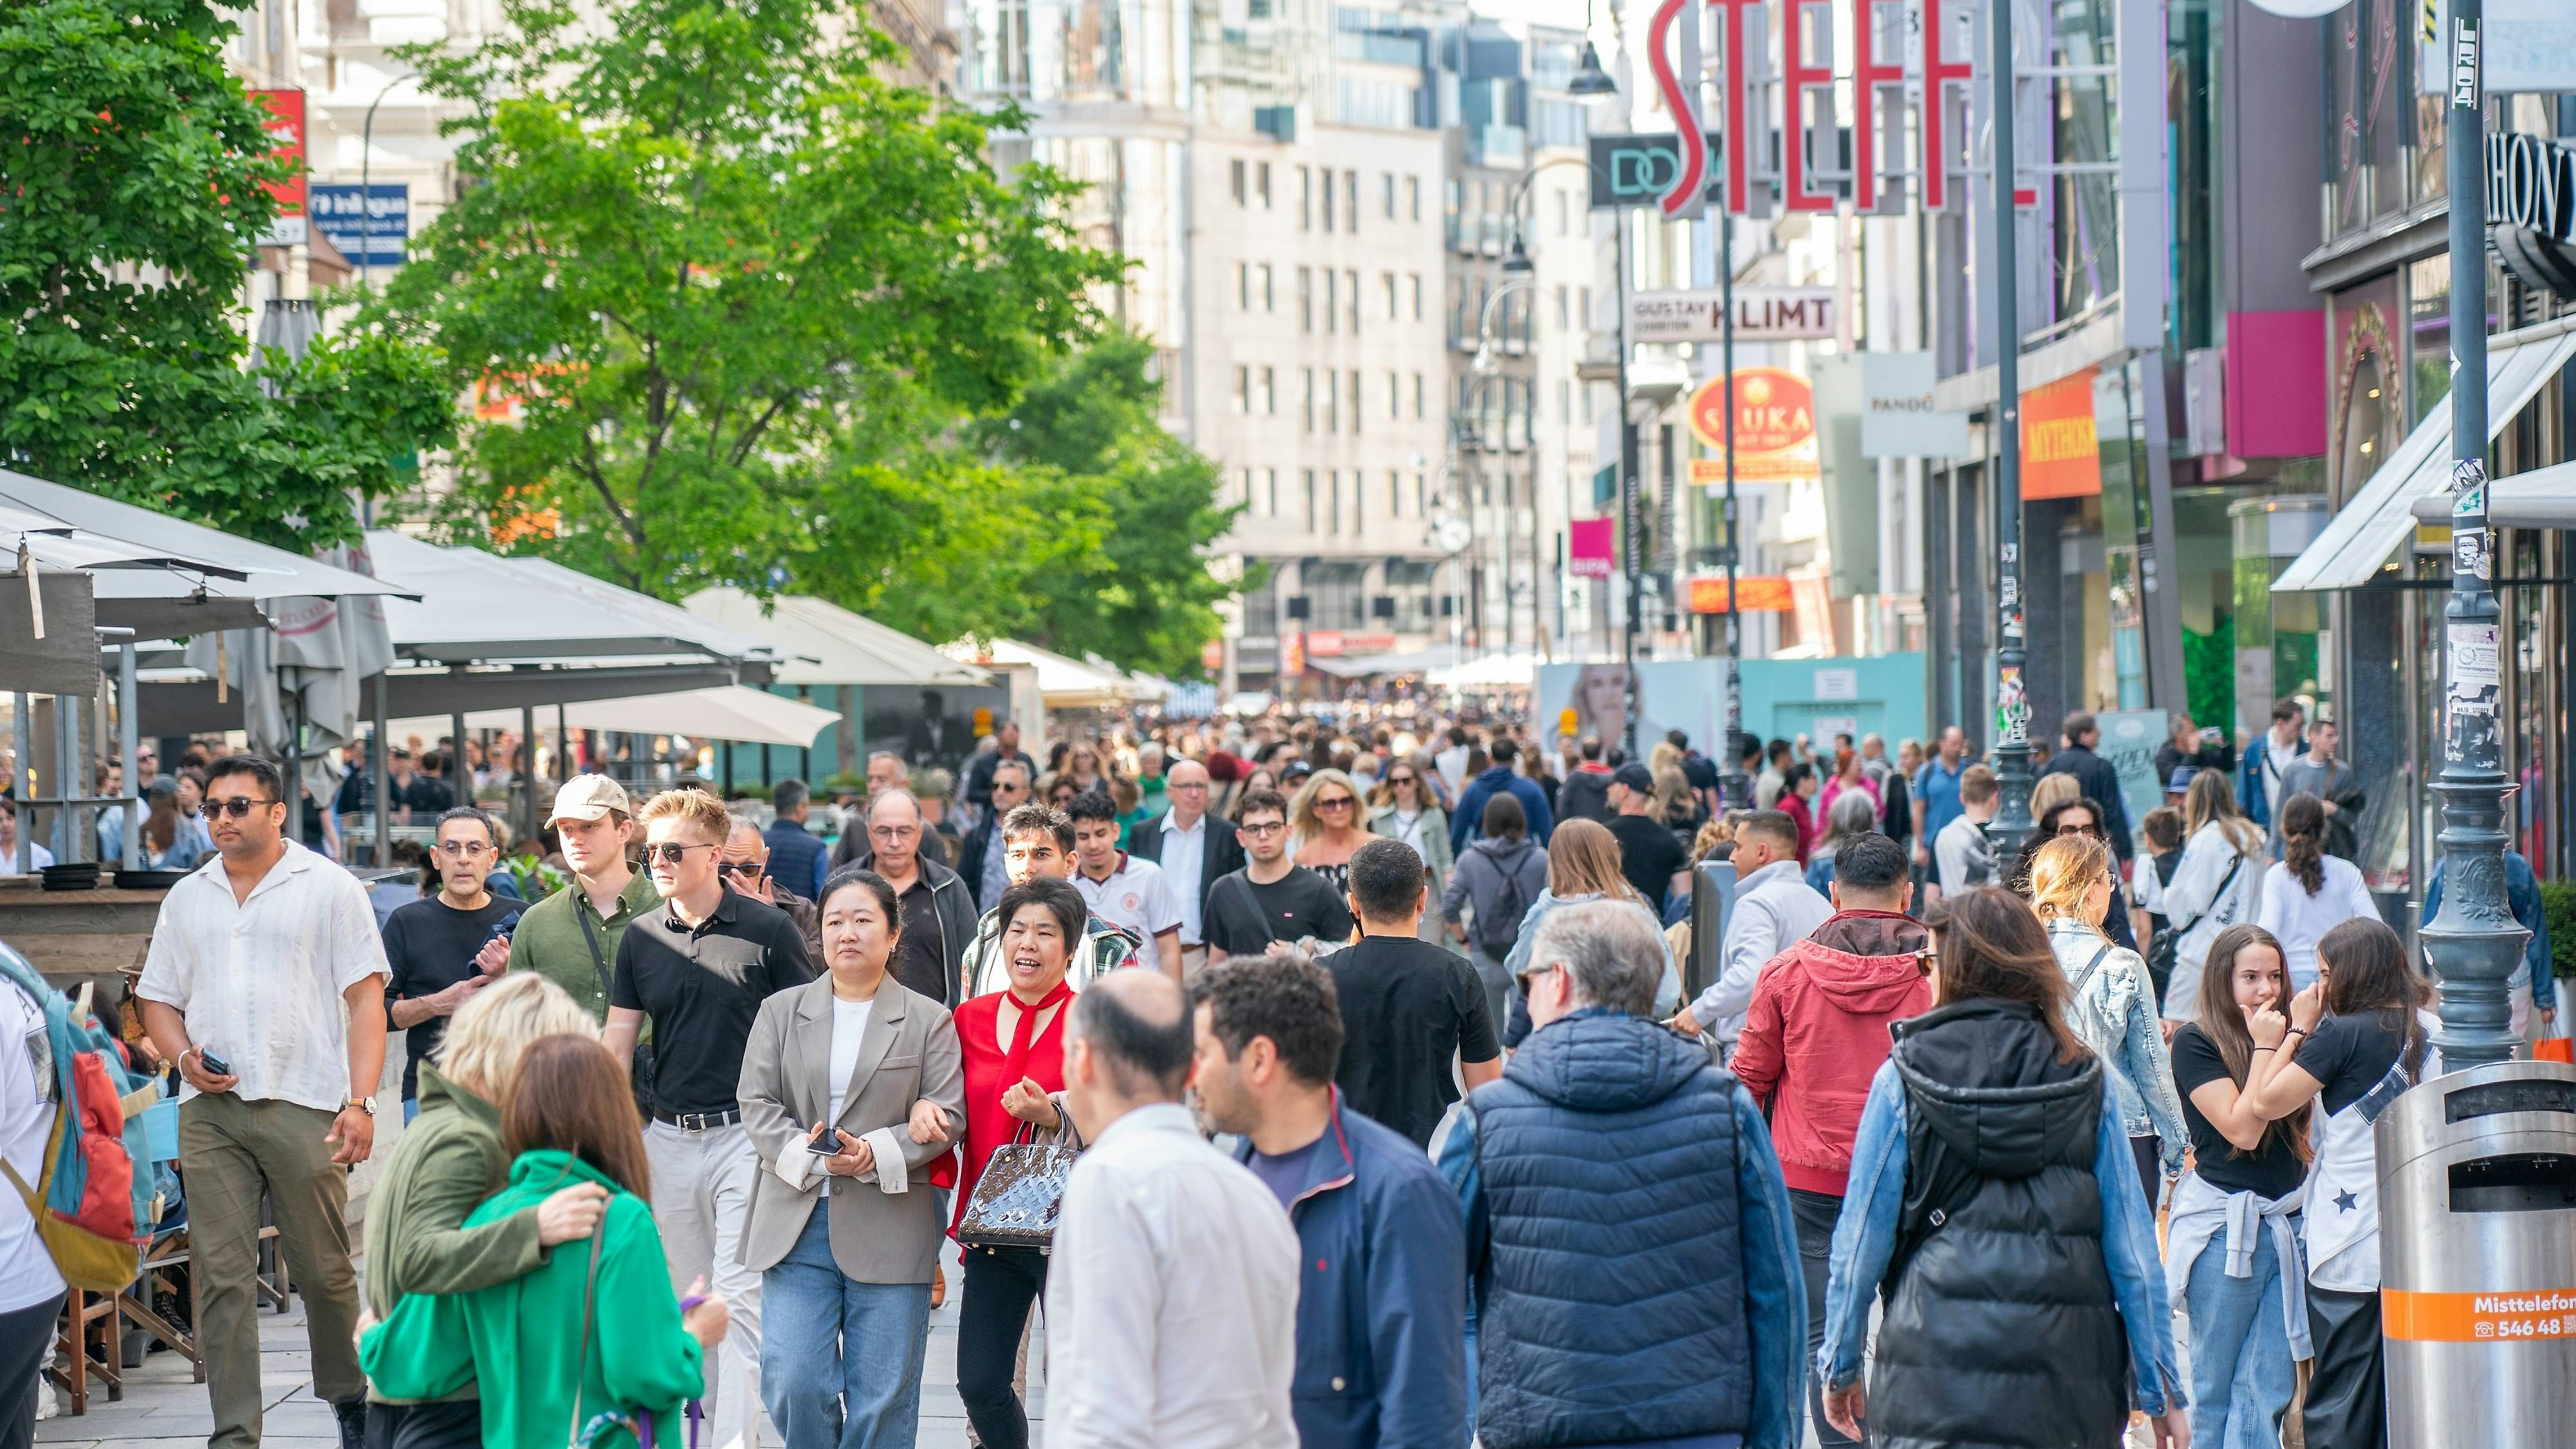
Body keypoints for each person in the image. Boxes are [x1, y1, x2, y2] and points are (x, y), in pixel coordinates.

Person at [1815, 887, 2184, 1449]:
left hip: (1932, 1370)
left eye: (1928, 961)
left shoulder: (1905, 1077)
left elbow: (1860, 1241)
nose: (1924, 976)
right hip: (2070, 1377)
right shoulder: (2087, 1078)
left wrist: (1841, 1364)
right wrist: (2160, 1389)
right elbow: (2133, 1252)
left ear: (1957, 968)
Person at [1435, 901, 1804, 1449]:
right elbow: (1776, 1294)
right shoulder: (1726, 1111)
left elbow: (1429, 1288)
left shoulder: (1488, 1121)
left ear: (1558, 981)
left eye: (1529, 977)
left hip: (1541, 1426)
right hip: (1699, 1428)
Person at [135, 753, 386, 1449]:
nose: (221, 819)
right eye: (212, 807)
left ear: (277, 812)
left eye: (237, 806)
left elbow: (366, 999)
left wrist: (360, 1103)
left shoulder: (329, 887)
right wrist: (182, 1055)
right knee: (219, 1277)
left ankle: (350, 1400)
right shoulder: (189, 895)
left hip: (303, 1102)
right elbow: (155, 997)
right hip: (209, 1111)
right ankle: (236, 1433)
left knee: (325, 1272)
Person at [359, 1034, 732, 1448]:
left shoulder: (489, 1218)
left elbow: (410, 1357)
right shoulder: (620, 1221)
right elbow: (643, 1376)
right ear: (612, 1113)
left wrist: (371, 1339)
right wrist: (695, 1335)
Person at [602, 786, 815, 1449]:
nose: (656, 862)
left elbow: (807, 1033)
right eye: (648, 852)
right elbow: (617, 1041)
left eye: (671, 850)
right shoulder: (639, 937)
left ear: (715, 855)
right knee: (684, 1305)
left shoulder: (770, 931)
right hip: (667, 1137)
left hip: (747, 1138)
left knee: (737, 1300)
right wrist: (604, 1140)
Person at [1189, 953, 1468, 1449]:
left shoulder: (1400, 1194)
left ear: (1258, 1059)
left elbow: (1422, 1419)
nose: (1193, 1077)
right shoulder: (1227, 1185)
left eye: (1203, 1055)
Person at [737, 868, 968, 1449]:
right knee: (793, 1379)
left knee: (884, 1395)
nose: (848, 933)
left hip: (891, 1221)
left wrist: (874, 1153)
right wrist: (815, 1157)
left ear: (893, 936)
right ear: (819, 934)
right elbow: (757, 1101)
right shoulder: (781, 1012)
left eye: (864, 920)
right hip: (797, 1219)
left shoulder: (928, 1018)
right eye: (835, 920)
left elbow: (947, 1113)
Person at [1725, 831, 1928, 1449]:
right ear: (1908, 893)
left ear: (1833, 894)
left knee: (1823, 1337)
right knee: (1914, 1329)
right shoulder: (1939, 974)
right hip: (1915, 1178)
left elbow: (1749, 1078)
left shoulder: (1785, 973)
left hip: (1809, 1179)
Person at [1046, 971, 1300, 1449]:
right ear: (1189, 1072)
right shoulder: (1254, 1194)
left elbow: (1104, 1412)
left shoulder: (1109, 1181)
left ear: (1083, 1061)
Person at [359, 973, 609, 1449]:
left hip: (416, 1392)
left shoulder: (446, 1126)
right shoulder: (465, 1140)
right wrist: (533, 1228)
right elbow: (417, 1257)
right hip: (448, 1406)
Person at [2237, 916, 2427, 1449]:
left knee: (2343, 1395)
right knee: (2408, 1393)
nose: (2320, 986)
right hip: (2419, 1236)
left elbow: (2265, 1102)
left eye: (2325, 972)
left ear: (2351, 972)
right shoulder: (2431, 1029)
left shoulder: (2340, 1033)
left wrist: (2296, 1029)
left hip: (2347, 1244)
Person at [952, 879, 1087, 1449]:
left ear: (1072, 950)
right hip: (994, 1228)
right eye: (1017, 931)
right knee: (980, 1382)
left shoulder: (1093, 1021)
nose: (1027, 944)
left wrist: (1054, 1113)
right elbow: (944, 1100)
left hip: (1075, 1229)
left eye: (1045, 933)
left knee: (1081, 1381)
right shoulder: (968, 1019)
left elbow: (1119, 1109)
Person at [2166, 924, 2310, 1449]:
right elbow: (2243, 1129)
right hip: (2225, 1230)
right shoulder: (2195, 1041)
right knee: (2216, 1389)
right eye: (2250, 977)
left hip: (2288, 1225)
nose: (2266, 989)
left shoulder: (2293, 1036)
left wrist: (2286, 1040)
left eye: (2275, 976)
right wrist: (2268, 1046)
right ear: (2223, 980)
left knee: (2266, 1388)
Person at [2025, 834, 2188, 1206]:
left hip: (2035, 1129)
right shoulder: (2122, 965)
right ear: (2090, 890)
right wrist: (2178, 1148)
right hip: (2118, 1132)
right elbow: (2152, 1068)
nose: (2113, 891)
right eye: (2108, 880)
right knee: (2127, 1259)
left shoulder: (2020, 959)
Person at [1324, 840, 1502, 1147]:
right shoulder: (1458, 975)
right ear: (1423, 899)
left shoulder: (1321, 976)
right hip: (1435, 1155)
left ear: (1353, 904)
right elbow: (1487, 1090)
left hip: (1346, 1155)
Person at [384, 807, 523, 1122]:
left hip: (509, 1089)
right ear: (435, 858)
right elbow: (381, 1013)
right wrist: (440, 1003)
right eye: (452, 848)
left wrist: (507, 976)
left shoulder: (523, 918)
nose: (463, 859)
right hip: (432, 1093)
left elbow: (549, 1004)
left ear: (492, 858)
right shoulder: (406, 922)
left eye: (474, 849)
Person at [1499, 818, 1684, 1047]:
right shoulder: (1636, 911)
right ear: (1609, 855)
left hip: (1559, 1042)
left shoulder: (1542, 915)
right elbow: (1665, 995)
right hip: (1629, 1040)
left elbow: (1519, 969)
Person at [1671, 811, 1832, 1050]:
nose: (1733, 857)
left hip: (1752, 1050)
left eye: (1738, 847)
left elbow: (1751, 975)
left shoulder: (1757, 903)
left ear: (1761, 852)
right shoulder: (1822, 904)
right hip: (1805, 1047)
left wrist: (1698, 1012)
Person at [507, 775, 662, 1023]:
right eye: (566, 828)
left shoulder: (671, 913)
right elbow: (515, 1024)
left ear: (624, 830)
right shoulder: (537, 922)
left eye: (589, 826)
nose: (575, 839)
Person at [961, 804, 1148, 997]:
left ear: (1070, 863)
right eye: (1018, 855)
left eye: (1041, 855)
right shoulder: (982, 947)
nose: (1027, 867)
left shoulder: (1107, 949)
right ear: (1008, 864)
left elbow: (1125, 1026)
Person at [1204, 788, 1356, 963]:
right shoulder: (1223, 890)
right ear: (1241, 837)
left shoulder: (1318, 889)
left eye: (1273, 827)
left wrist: (1302, 953)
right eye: (1253, 829)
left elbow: (1347, 953)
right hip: (1241, 989)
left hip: (1302, 988)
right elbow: (1217, 963)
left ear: (1288, 831)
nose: (1263, 836)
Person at [2162, 768, 2266, 1021]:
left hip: (2202, 952)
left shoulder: (2206, 840)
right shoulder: (2256, 837)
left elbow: (2187, 906)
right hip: (2244, 948)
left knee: (2176, 1029)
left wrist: (2171, 901)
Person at [1442, 793, 1549, 1037]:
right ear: (1522, 822)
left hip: (1485, 952)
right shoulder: (1539, 859)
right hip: (1530, 956)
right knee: (1526, 1032)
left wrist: (1464, 940)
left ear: (1486, 823)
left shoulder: (1470, 859)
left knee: (1489, 1034)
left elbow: (1450, 905)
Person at [2423, 844, 2558, 1035]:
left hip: (2461, 973)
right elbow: (2536, 936)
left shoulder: (2447, 866)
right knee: (2509, 1054)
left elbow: (2429, 929)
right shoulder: (2519, 868)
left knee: (2463, 1048)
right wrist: (2546, 999)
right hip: (2515, 971)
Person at [1127, 759, 1245, 976]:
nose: (1194, 794)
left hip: (1203, 955)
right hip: (1151, 955)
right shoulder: (1144, 833)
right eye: (1186, 787)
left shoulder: (1227, 835)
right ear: (1169, 791)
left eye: (1200, 786)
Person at [2258, 792, 2382, 992]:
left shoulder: (2277, 876)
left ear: (2283, 829)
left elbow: (2268, 930)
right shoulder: (2347, 872)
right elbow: (2375, 925)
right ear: (2324, 828)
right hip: (2340, 976)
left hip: (2293, 979)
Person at [1066, 790, 1184, 978]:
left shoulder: (1148, 875)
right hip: (1087, 997)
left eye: (1100, 833)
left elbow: (1169, 947)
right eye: (1084, 836)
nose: (1093, 844)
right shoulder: (1066, 883)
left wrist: (1174, 1002)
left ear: (1115, 831)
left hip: (1141, 992)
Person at [1364, 758, 1452, 944]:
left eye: (1406, 780)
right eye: (1395, 782)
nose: (1400, 786)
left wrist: (1450, 899)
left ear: (1417, 782)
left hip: (1427, 885)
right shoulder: (1380, 816)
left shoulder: (1433, 814)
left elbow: (1445, 860)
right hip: (1390, 887)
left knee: (1430, 943)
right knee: (1396, 943)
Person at [2037, 711, 2134, 862]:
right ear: (2084, 735)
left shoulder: (2054, 764)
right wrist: (2125, 850)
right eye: (2096, 730)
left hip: (2057, 843)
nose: (2100, 733)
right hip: (2093, 842)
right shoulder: (2102, 766)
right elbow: (2113, 811)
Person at [1598, 760, 1688, 916]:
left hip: (1609, 921)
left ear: (1624, 790)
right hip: (1651, 925)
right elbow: (1685, 897)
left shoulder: (1603, 835)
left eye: (1613, 786)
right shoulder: (1668, 840)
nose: (1608, 790)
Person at [2278, 716, 2365, 861]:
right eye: (2329, 736)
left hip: (2335, 850)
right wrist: (2273, 851)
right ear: (2314, 739)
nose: (2335, 740)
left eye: (2336, 735)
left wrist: (2335, 811)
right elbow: (2281, 812)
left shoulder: (2344, 772)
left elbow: (2353, 818)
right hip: (2301, 851)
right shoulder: (2293, 770)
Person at [1449, 738, 1555, 853]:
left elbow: (1458, 832)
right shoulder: (1531, 789)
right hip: (1523, 859)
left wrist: (1456, 860)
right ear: (1514, 760)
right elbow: (1547, 832)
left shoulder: (1473, 789)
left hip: (1485, 858)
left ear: (1489, 758)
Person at [960, 759, 1033, 911]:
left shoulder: (1039, 834)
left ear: (1026, 793)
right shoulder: (977, 835)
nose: (1000, 792)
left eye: (1009, 787)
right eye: (995, 786)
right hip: (985, 925)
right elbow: (966, 884)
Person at [1289, 768, 1371, 895]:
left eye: (1345, 801)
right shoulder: (1304, 857)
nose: (1339, 809)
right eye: (1330, 803)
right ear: (1316, 810)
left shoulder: (1375, 846)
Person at [2237, 698, 2307, 841]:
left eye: (2302, 726)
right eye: (2297, 726)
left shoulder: (2305, 752)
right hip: (2262, 829)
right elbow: (2245, 793)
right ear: (2280, 723)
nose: (2301, 731)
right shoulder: (2255, 749)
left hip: (2297, 831)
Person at [1909, 727, 1969, 870]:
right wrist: (1920, 847)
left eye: (1960, 744)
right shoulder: (1927, 772)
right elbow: (1918, 810)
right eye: (1953, 744)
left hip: (1965, 842)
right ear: (1942, 745)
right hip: (1933, 845)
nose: (1958, 748)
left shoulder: (1969, 770)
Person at [1800, 791, 1879, 896]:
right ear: (1870, 820)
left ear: (1834, 819)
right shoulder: (1880, 860)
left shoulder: (1821, 862)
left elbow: (1811, 902)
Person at [764, 778, 832, 899]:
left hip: (764, 913)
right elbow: (823, 894)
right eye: (807, 806)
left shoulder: (760, 841)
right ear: (800, 807)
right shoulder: (816, 846)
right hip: (803, 916)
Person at [963, 719, 1037, 813]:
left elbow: (1035, 785)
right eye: (1009, 734)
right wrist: (997, 795)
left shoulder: (1025, 760)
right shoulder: (984, 762)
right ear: (999, 736)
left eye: (1014, 734)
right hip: (991, 814)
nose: (1001, 792)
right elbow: (972, 793)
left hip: (1022, 813)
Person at [2155, 711, 2235, 787]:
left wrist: (2223, 744)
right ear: (2178, 736)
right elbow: (2179, 781)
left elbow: (2228, 766)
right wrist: (2192, 753)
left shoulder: (2201, 752)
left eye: (2196, 730)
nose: (2197, 735)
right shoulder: (2165, 757)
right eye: (2192, 731)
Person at [1554, 736, 1615, 823]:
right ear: (1600, 754)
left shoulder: (1573, 777)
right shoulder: (1612, 778)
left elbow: (1562, 808)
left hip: (1579, 830)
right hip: (1606, 829)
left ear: (1582, 754)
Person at [1776, 762, 1819, 864]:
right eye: (1814, 777)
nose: (1817, 781)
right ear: (1803, 781)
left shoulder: (1803, 806)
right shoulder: (1789, 806)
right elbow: (1780, 840)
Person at [1756, 737, 1792, 810]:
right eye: (1790, 754)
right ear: (1782, 757)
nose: (1792, 758)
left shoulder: (1764, 776)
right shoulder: (1779, 783)